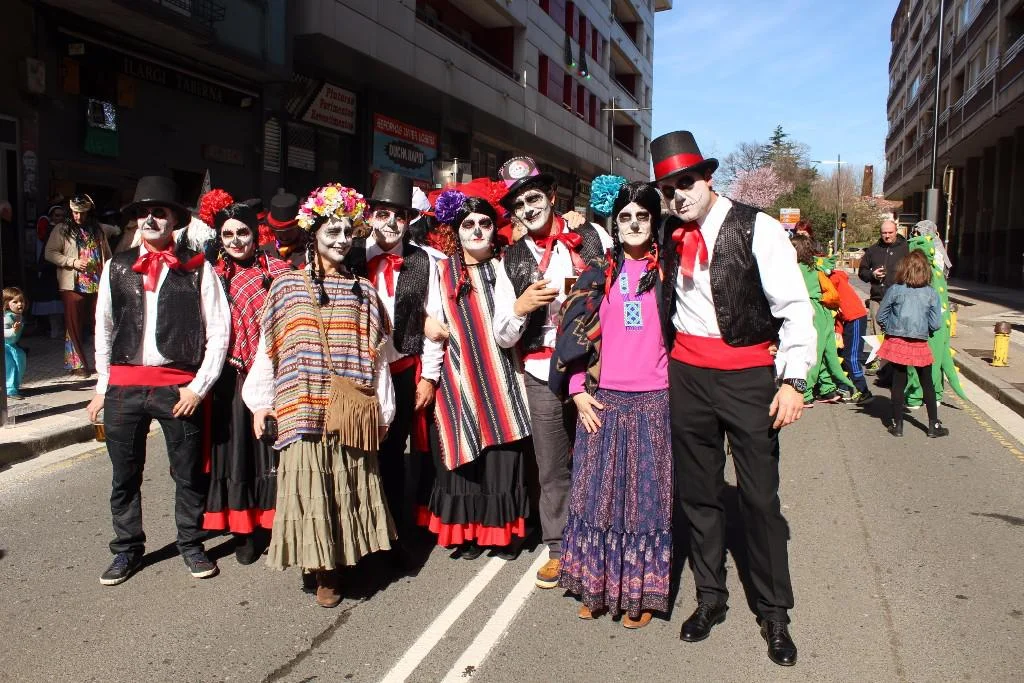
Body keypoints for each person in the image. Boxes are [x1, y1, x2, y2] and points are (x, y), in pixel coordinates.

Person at [652, 131, 814, 666]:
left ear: (708, 177)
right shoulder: (668, 231)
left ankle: (774, 612)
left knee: (760, 499)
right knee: (698, 494)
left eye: (686, 183)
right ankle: (710, 598)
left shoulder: (757, 226)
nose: (678, 196)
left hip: (747, 378)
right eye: (668, 189)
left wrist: (793, 381)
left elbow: (795, 307)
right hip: (688, 376)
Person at [242, 183, 396, 608]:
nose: (342, 240)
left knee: (347, 484)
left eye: (348, 232)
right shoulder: (286, 287)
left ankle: (341, 560)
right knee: (310, 488)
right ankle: (323, 568)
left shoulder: (364, 292)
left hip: (349, 410)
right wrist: (260, 402)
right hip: (301, 405)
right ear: (314, 234)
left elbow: (379, 357)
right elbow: (269, 348)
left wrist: (384, 411)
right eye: (332, 231)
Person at [86, 176, 230, 586]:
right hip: (123, 385)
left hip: (177, 386)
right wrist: (101, 387)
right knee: (124, 475)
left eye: (159, 212)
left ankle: (191, 544)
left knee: (187, 473)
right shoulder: (116, 266)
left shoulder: (197, 267)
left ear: (174, 221)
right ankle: (127, 549)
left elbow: (219, 330)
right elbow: (104, 327)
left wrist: (199, 387)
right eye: (143, 213)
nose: (150, 219)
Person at [551, 181, 672, 629]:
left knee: (644, 505)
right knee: (595, 500)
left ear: (654, 222)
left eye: (642, 216)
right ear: (614, 224)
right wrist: (577, 389)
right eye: (625, 217)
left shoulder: (669, 274)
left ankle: (639, 594)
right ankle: (595, 587)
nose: (634, 224)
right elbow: (572, 332)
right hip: (601, 402)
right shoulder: (598, 273)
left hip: (655, 402)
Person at [492, 156, 612, 589]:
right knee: (551, 465)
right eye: (520, 204)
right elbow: (502, 334)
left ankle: (601, 542)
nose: (528, 208)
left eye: (534, 198)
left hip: (596, 368)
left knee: (600, 457)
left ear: (552, 197)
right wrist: (521, 308)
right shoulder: (510, 260)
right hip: (542, 372)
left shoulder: (593, 236)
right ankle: (560, 548)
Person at [422, 188, 532, 559]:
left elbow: (512, 327)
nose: (477, 230)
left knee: (502, 453)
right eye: (468, 224)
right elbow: (434, 328)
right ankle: (469, 531)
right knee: (465, 453)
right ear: (457, 230)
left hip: (502, 374)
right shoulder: (441, 271)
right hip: (458, 376)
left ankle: (501, 533)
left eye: (484, 223)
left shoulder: (504, 267)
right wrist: (429, 376)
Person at [345, 171, 444, 565]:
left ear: (408, 220)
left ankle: (392, 538)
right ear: (370, 216)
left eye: (399, 216)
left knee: (392, 457)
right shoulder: (350, 253)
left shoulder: (423, 261)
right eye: (383, 214)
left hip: (401, 370)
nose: (390, 223)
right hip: (356, 376)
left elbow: (432, 321)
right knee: (355, 455)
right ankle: (355, 540)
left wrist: (430, 377)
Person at [201, 202, 291, 565]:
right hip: (232, 377)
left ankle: (274, 523)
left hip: (274, 372)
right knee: (239, 452)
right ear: (220, 239)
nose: (236, 240)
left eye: (243, 232)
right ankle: (244, 530)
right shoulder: (211, 276)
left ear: (255, 234)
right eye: (228, 234)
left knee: (271, 448)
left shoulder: (281, 271)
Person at [876, 250, 948, 438]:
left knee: (898, 382)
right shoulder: (931, 293)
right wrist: (925, 330)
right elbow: (936, 324)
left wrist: (890, 328)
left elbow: (881, 316)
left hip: (897, 341)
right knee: (927, 383)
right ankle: (933, 425)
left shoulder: (895, 289)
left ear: (904, 269)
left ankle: (897, 425)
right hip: (919, 343)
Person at [45, 194, 111, 377]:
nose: (78, 216)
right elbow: (49, 253)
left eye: (82, 213)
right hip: (72, 285)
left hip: (97, 283)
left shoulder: (97, 229)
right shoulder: (61, 229)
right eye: (75, 212)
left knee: (101, 322)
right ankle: (77, 364)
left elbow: (107, 254)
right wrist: (72, 262)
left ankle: (105, 361)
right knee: (74, 325)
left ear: (89, 212)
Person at [791, 235, 854, 405]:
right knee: (827, 352)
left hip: (810, 311)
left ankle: (806, 393)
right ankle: (828, 389)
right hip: (824, 311)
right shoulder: (817, 264)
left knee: (813, 353)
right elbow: (828, 264)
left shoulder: (796, 268)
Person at [858, 219, 909, 374]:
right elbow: (862, 272)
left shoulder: (906, 248)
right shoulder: (873, 250)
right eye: (884, 233)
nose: (887, 236)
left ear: (896, 231)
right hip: (878, 298)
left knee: (896, 332)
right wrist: (872, 274)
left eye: (890, 233)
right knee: (876, 331)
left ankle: (895, 363)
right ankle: (877, 361)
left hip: (899, 299)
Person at [829, 267, 872, 402]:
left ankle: (863, 390)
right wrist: (838, 331)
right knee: (843, 353)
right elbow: (837, 311)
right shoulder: (833, 278)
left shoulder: (832, 279)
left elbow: (834, 306)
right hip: (846, 319)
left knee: (851, 357)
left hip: (855, 317)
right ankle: (843, 386)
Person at [32, 203, 66, 339]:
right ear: (51, 217)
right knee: (52, 301)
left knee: (58, 301)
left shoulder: (64, 230)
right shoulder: (50, 231)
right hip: (50, 269)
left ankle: (58, 330)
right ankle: (55, 330)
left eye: (62, 216)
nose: (60, 218)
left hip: (60, 269)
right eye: (57, 215)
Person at [260, 193, 308, 268]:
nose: (284, 236)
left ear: (299, 226)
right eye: (279, 231)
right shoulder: (264, 251)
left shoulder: (309, 252)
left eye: (289, 231)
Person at [4, 287, 28, 400]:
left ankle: (13, 387)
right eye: (15, 302)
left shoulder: (17, 316)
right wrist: (13, 330)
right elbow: (4, 333)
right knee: (10, 366)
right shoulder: (7, 318)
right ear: (6, 304)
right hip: (5, 348)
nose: (20, 304)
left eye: (21, 301)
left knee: (19, 363)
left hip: (12, 346)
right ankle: (9, 389)